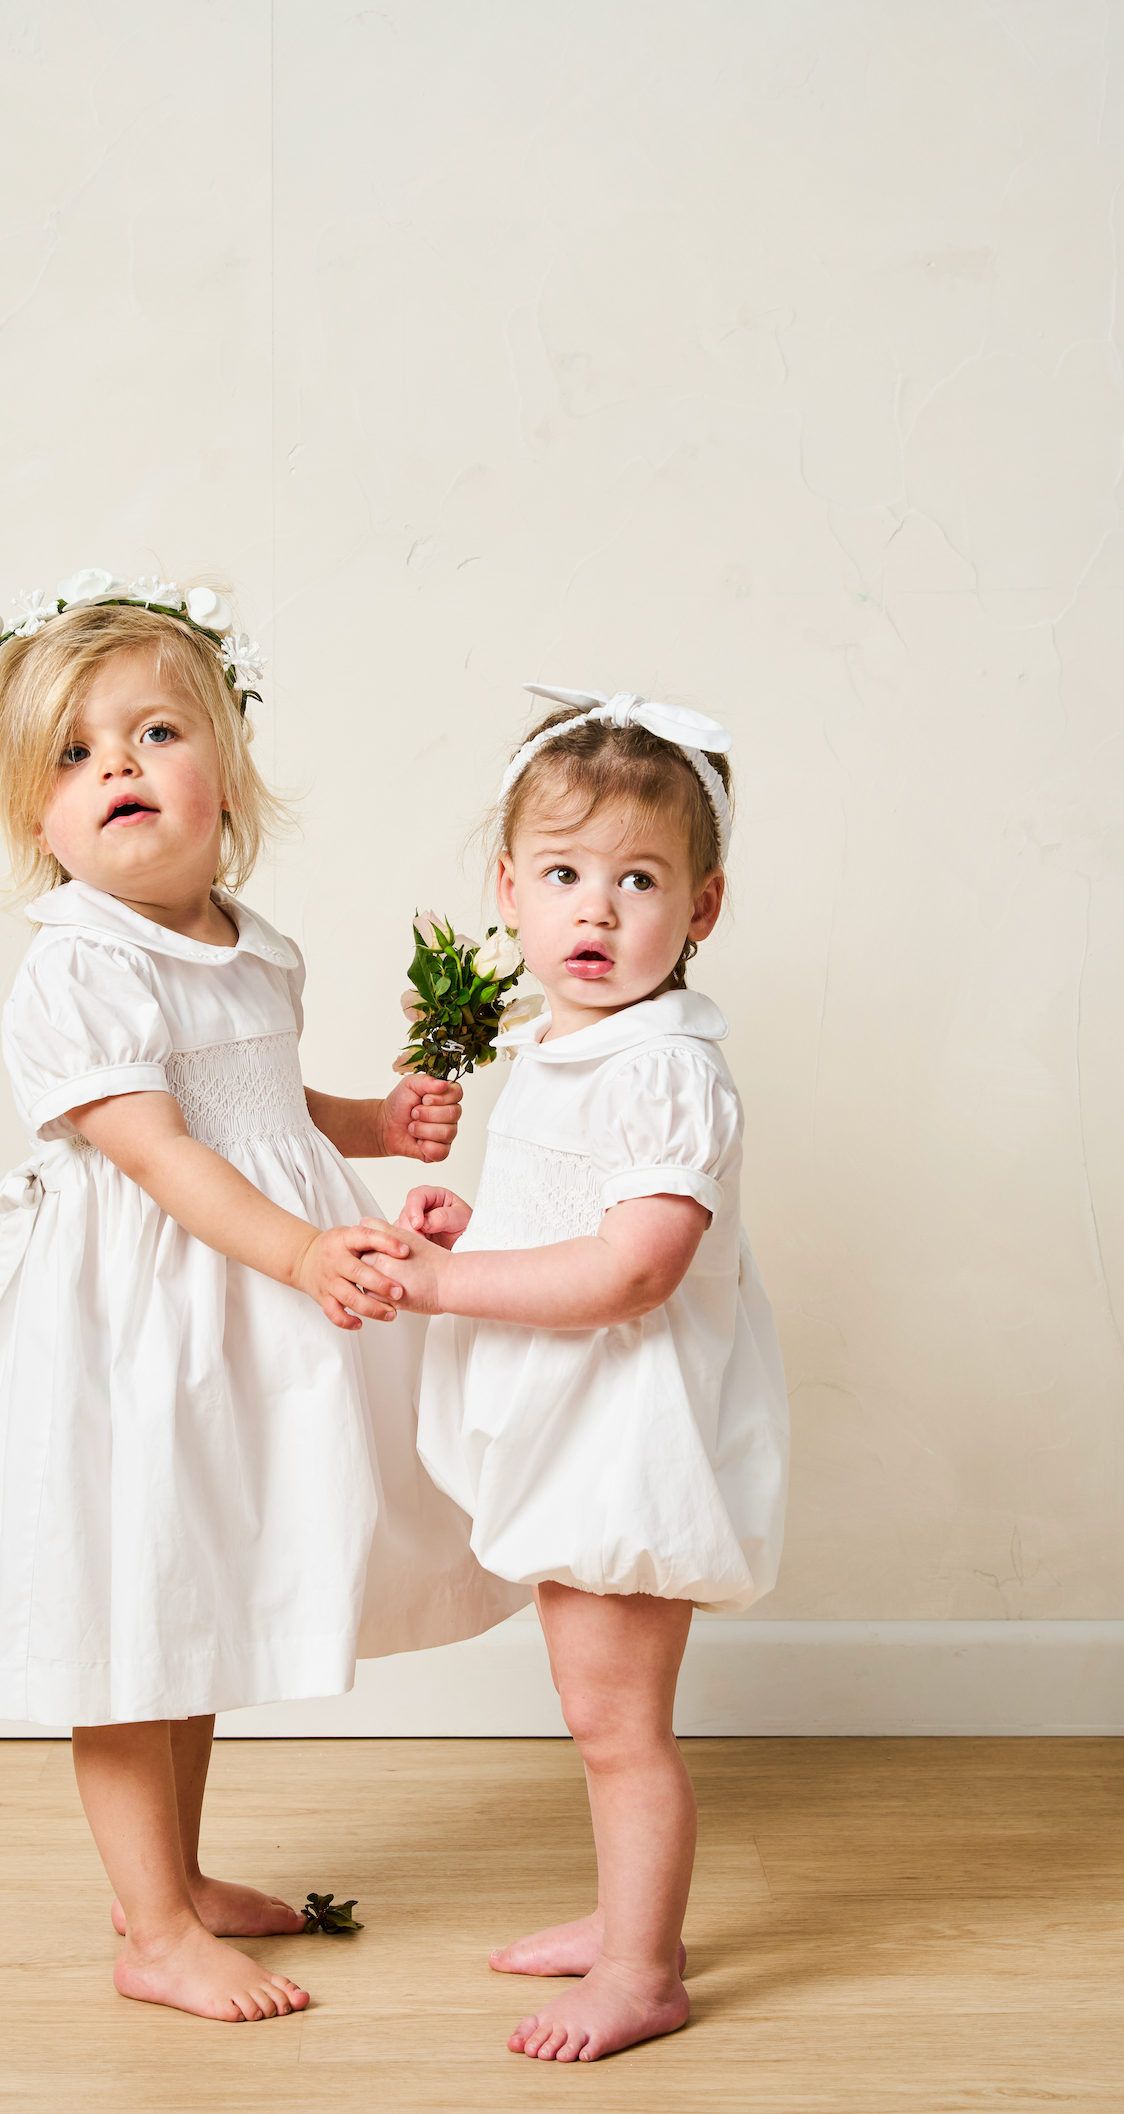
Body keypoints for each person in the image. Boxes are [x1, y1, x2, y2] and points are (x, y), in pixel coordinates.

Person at [0, 575, 524, 2027]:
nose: (119, 768)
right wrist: (302, 1256)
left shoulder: (252, 944)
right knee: (130, 1601)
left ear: (229, 774)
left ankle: (181, 1884)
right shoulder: (78, 967)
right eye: (73, 758)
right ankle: (149, 1930)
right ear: (38, 823)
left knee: (185, 1590)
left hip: (232, 1311)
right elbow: (161, 1152)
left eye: (152, 732)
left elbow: (262, 1106)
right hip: (143, 1324)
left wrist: (377, 1127)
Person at [367, 684, 789, 2063]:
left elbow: (632, 1270)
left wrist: (439, 1284)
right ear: (509, 889)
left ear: (703, 908)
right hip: (571, 1414)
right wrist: (472, 1231)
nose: (595, 913)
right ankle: (627, 1925)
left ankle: (645, 1973)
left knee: (619, 1726)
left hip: (628, 1431)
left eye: (639, 882)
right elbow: (565, 1227)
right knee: (592, 1710)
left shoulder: (667, 1070)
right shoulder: (561, 1050)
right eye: (563, 876)